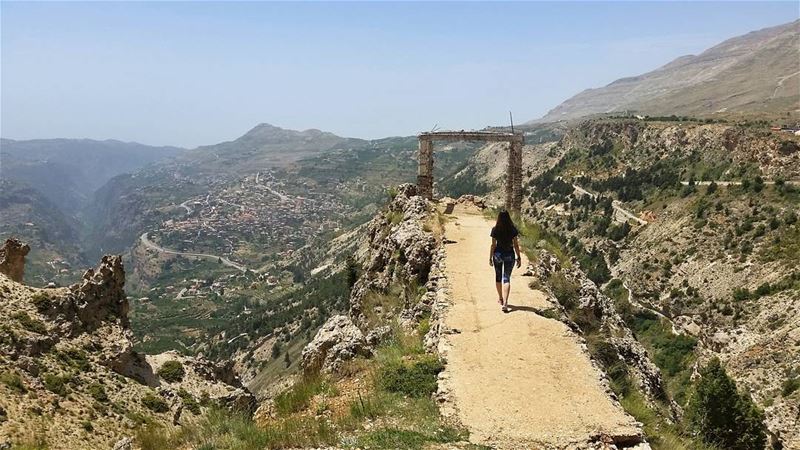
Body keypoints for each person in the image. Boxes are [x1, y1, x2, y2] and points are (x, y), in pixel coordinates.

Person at [489, 210, 522, 313]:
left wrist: (490, 257)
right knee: (506, 278)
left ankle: (500, 298)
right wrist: (519, 257)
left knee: (498, 277)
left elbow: (493, 245)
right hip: (509, 255)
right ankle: (506, 303)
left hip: (498, 255)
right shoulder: (513, 230)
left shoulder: (495, 229)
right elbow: (516, 244)